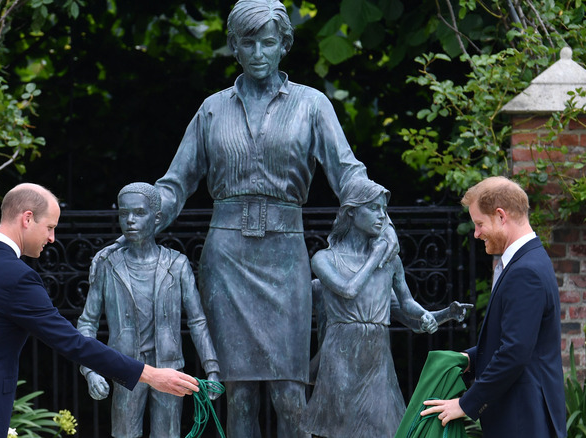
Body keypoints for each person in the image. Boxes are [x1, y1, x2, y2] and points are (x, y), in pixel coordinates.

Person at [101, 1, 398, 436]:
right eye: (247, 43)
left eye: (268, 42)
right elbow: (176, 183)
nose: (258, 52)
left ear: (284, 46)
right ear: (234, 48)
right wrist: (146, 214)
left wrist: (379, 213)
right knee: (238, 395)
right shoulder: (212, 110)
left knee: (290, 393)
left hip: (284, 255)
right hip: (228, 258)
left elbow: (347, 171)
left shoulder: (312, 105)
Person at [0, 183, 199, 438]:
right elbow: (73, 342)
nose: (52, 238)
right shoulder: (18, 277)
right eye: (50, 227)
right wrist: (150, 374)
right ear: (27, 219)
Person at [420, 176, 566, 438]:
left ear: (501, 216)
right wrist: (469, 359)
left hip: (523, 421)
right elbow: (517, 341)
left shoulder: (525, 271)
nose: (476, 234)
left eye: (479, 224)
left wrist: (465, 404)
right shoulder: (528, 261)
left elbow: (515, 352)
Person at [77, 182, 220, 438]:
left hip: (169, 368)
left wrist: (212, 368)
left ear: (156, 218)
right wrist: (90, 370)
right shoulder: (108, 266)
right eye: (124, 213)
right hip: (125, 367)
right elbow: (87, 322)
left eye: (139, 213)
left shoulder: (177, 265)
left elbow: (197, 321)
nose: (130, 221)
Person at [300, 180, 441, 437]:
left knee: (383, 426)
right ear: (351, 212)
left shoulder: (391, 261)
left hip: (376, 353)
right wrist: (375, 256)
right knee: (340, 427)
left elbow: (406, 303)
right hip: (340, 351)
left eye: (384, 210)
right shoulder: (325, 258)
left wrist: (427, 315)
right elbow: (348, 290)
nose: (382, 216)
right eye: (374, 208)